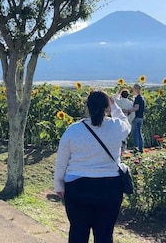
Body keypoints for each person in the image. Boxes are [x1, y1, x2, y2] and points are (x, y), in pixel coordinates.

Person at [54, 90, 131, 243]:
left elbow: (61, 161)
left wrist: (59, 185)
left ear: (87, 107)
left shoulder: (73, 130)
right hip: (110, 188)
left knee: (78, 232)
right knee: (104, 235)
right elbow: (126, 124)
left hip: (77, 187)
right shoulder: (116, 127)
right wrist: (114, 106)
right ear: (106, 107)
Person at [125, 84, 145, 153]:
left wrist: (127, 111)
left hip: (136, 118)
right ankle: (141, 148)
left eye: (133, 89)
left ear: (136, 89)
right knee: (139, 133)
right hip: (141, 117)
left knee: (135, 133)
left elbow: (136, 108)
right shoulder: (142, 98)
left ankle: (136, 148)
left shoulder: (137, 98)